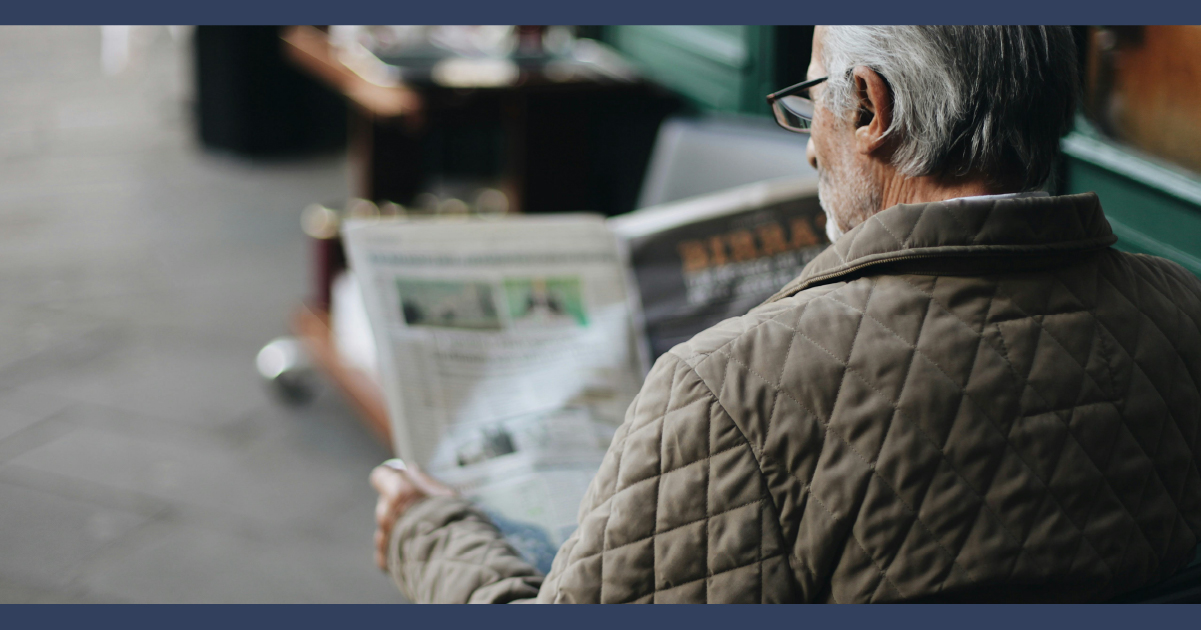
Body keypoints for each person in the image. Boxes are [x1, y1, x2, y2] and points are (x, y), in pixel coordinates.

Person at [370, 26, 1201, 603]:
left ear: (870, 109)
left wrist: (432, 538)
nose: (808, 143)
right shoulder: (1184, 311)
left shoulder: (730, 389)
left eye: (812, 102)